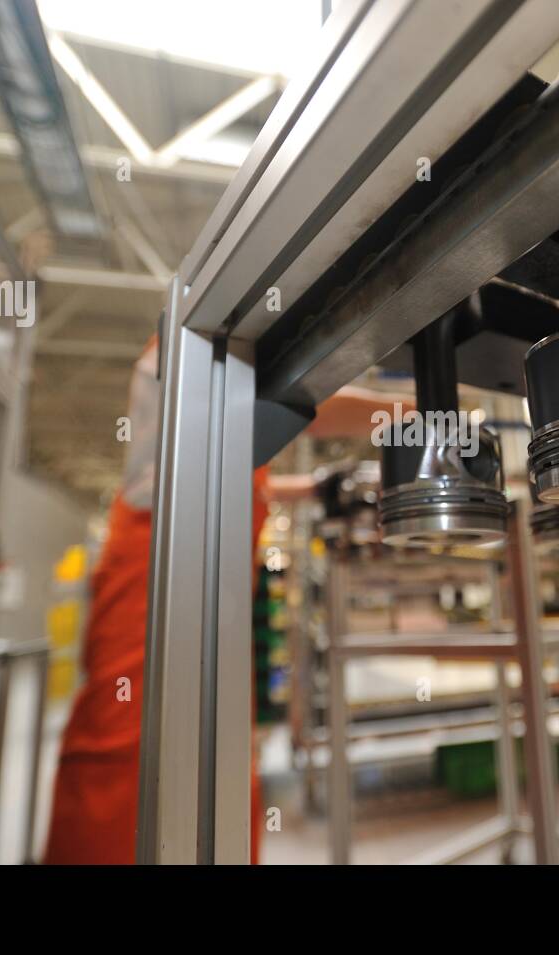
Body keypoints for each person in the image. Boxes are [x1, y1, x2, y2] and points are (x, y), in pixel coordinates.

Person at [44, 341, 407, 864]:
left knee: (217, 755)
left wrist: (317, 489)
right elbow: (301, 402)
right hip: (158, 571)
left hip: (208, 586)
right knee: (129, 751)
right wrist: (415, 413)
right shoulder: (200, 337)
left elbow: (237, 473)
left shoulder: (231, 369)